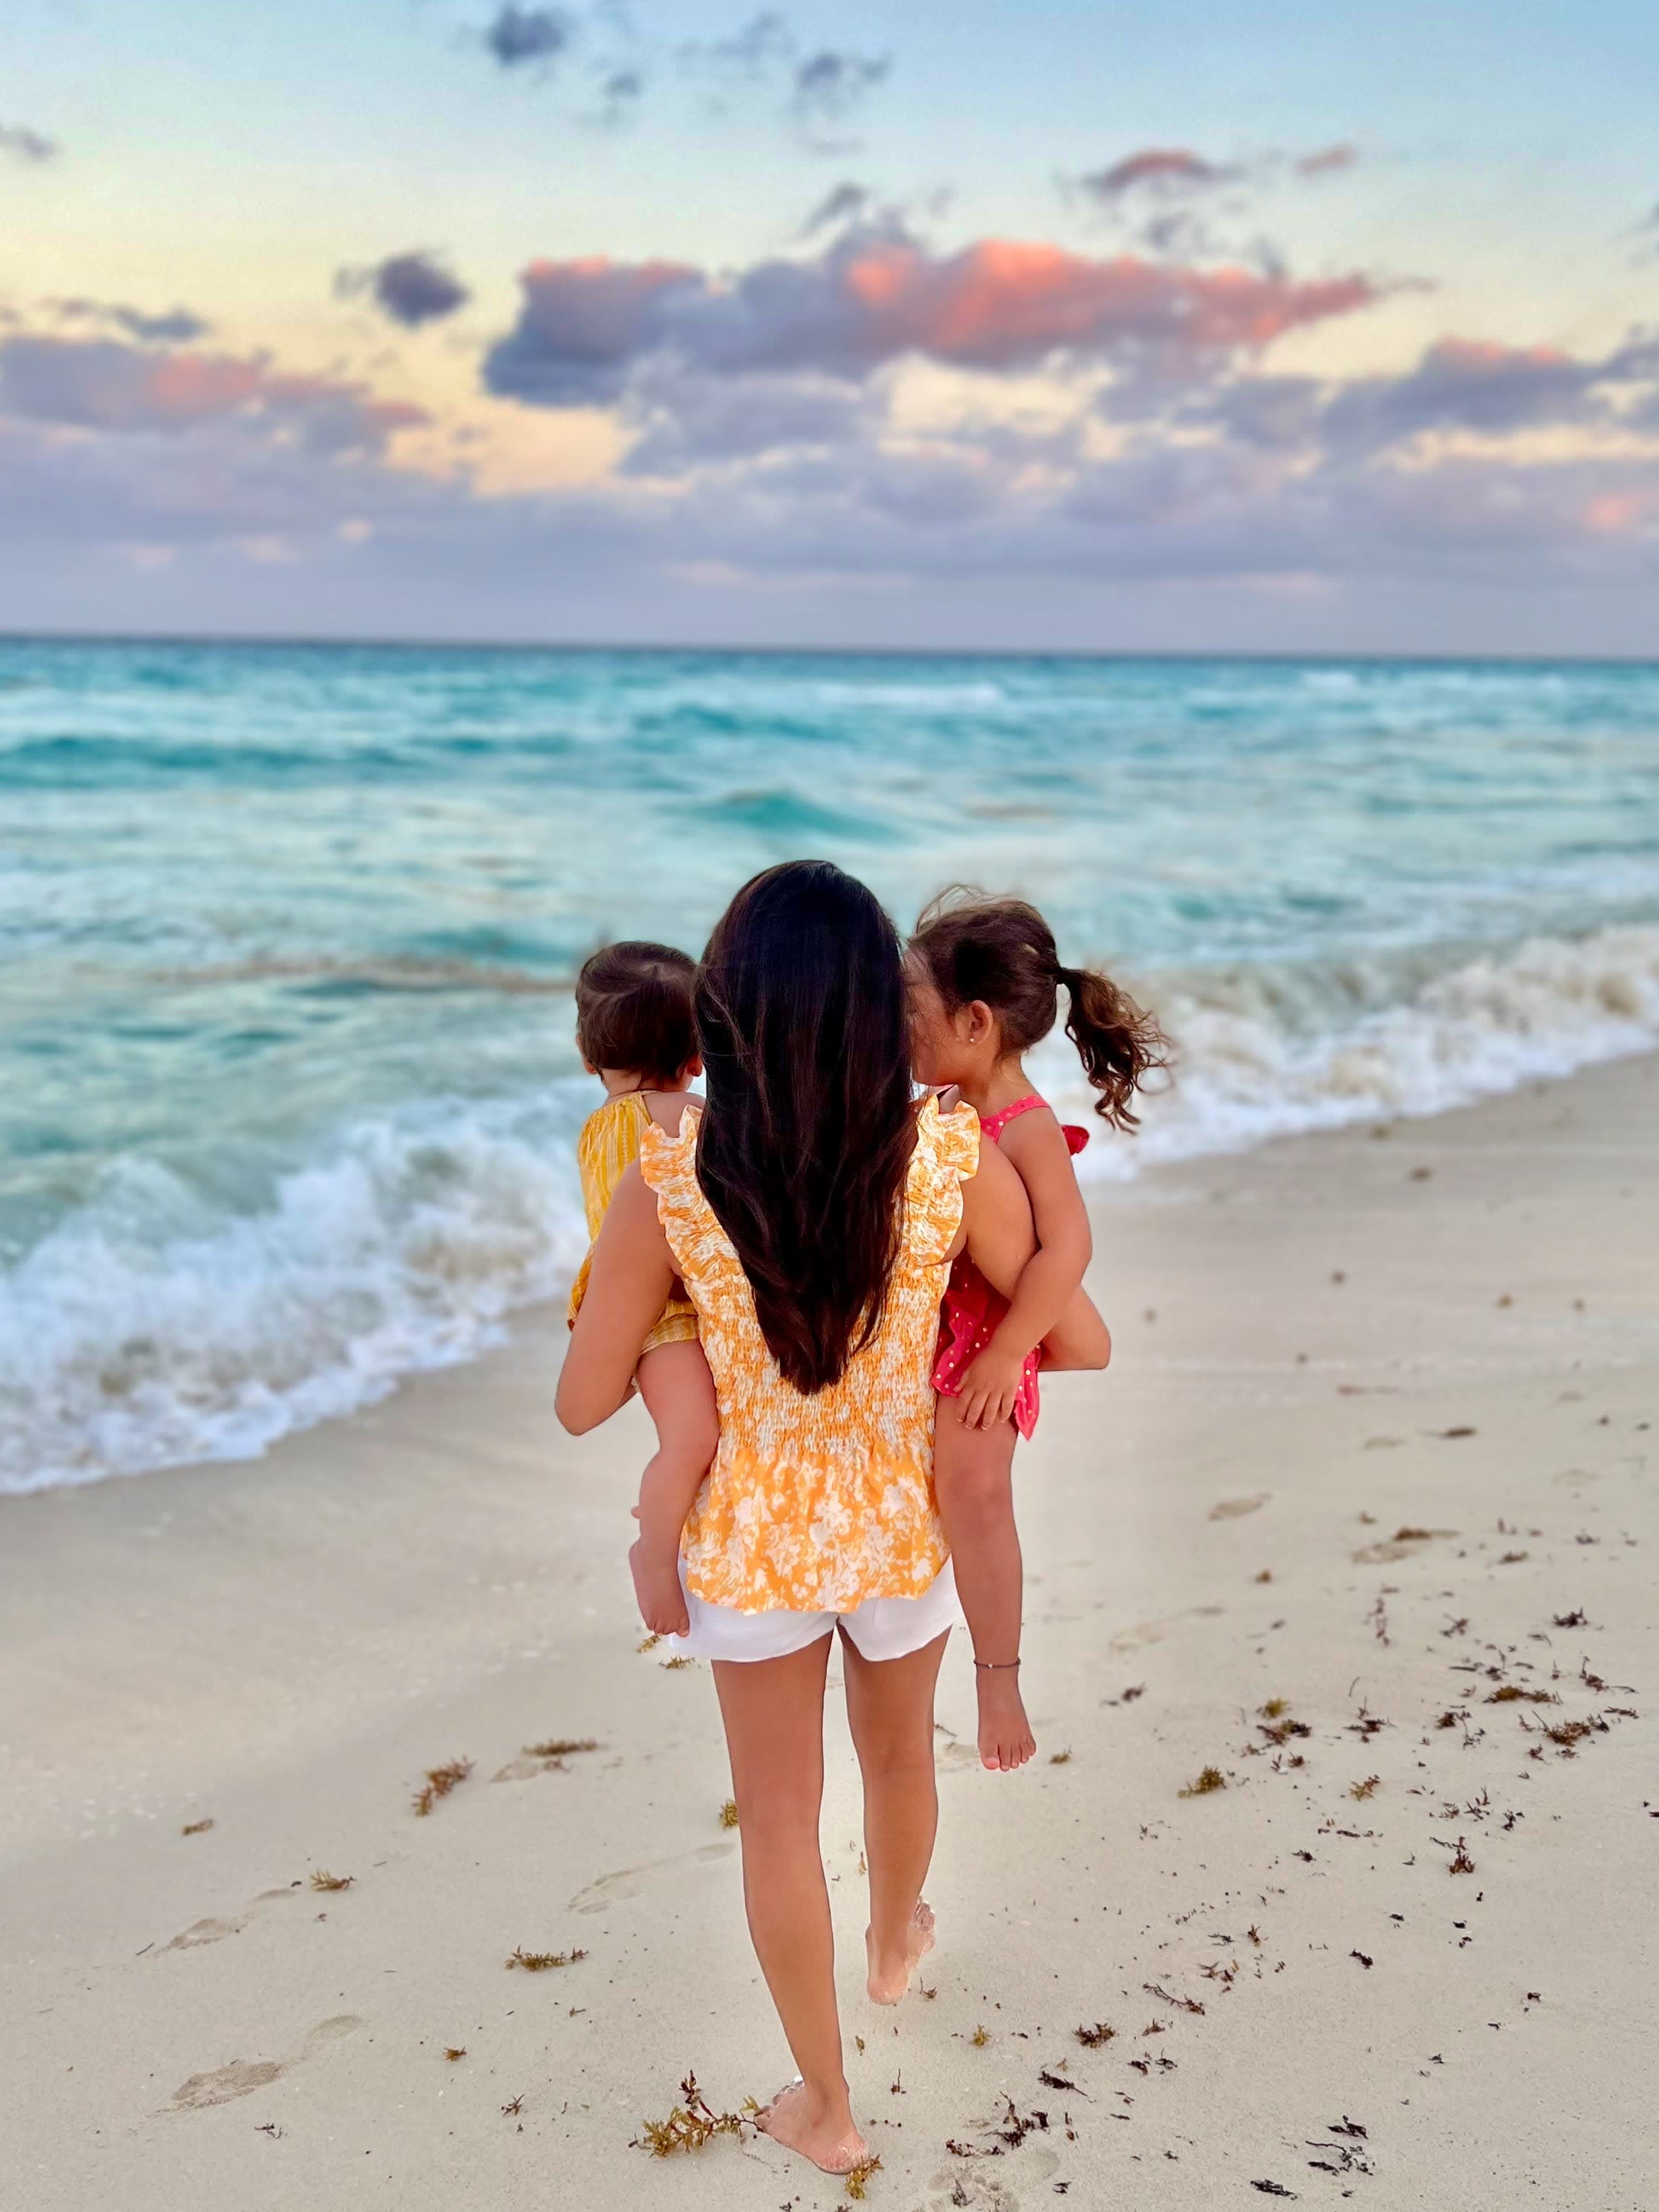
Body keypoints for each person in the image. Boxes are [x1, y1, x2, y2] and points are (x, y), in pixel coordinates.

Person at [556, 861, 1062, 2177]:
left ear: (723, 1011)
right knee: (900, 1764)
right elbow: (1062, 1326)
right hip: (899, 1519)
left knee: (778, 1819)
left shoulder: (666, 1178)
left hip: (752, 1538)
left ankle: (827, 2108)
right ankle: (894, 1941)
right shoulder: (948, 1154)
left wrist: (641, 1305)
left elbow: (580, 1401)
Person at [907, 890, 1167, 1772]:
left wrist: (1011, 1352)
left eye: (910, 1009)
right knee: (945, 1494)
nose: (898, 1028)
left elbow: (1071, 1247)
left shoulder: (1024, 1129)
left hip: (989, 1344)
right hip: (942, 1330)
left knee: (976, 1497)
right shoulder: (944, 1104)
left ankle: (998, 1678)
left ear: (974, 1022)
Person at [567, 940, 718, 1639]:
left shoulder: (596, 1129)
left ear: (586, 1054)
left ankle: (667, 1512)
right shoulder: (692, 1117)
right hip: (668, 1314)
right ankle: (653, 1555)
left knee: (688, 1438)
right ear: (698, 1055)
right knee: (693, 1437)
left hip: (629, 1311)